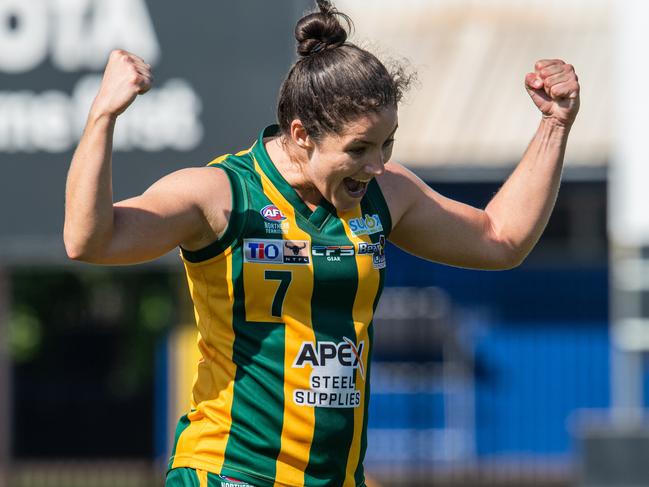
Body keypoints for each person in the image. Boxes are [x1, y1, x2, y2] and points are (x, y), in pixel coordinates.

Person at [63, 0, 579, 485]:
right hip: (228, 471)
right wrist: (102, 116)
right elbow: (91, 240)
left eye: (387, 144)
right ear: (301, 133)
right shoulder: (220, 194)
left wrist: (554, 123)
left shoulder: (386, 194)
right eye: (358, 148)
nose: (376, 165)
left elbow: (500, 239)